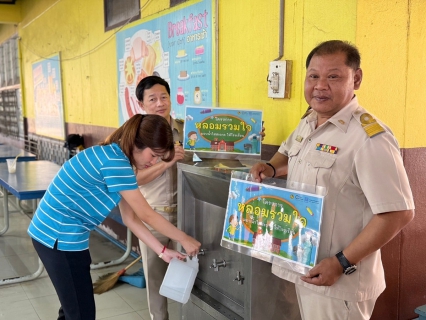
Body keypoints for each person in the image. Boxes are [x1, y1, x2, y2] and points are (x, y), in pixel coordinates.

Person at [250, 40, 415, 320]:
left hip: (341, 283)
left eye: (333, 76)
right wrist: (270, 167)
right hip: (307, 268)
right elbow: (288, 153)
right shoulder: (310, 121)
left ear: (356, 79)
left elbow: (398, 212)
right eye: (313, 75)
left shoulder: (369, 139)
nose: (320, 85)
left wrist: (341, 262)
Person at [27, 114, 201, 320]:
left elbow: (131, 219)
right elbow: (147, 214)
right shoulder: (116, 163)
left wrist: (162, 251)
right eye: (153, 155)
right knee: (80, 313)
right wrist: (184, 238)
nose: (154, 162)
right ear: (138, 144)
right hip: (59, 237)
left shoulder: (115, 157)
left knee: (72, 308)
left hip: (55, 234)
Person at [134, 76, 265, 320]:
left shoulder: (188, 128)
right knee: (155, 278)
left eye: (164, 97)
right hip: (154, 216)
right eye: (152, 99)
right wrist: (165, 164)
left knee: (194, 272)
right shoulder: (135, 137)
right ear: (141, 104)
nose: (160, 103)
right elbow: (133, 181)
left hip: (189, 212)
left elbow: (214, 156)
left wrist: (248, 138)